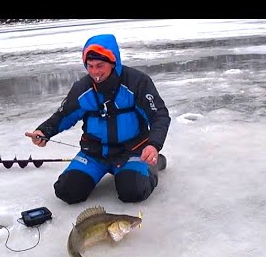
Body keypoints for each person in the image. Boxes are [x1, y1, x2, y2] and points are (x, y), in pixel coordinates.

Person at [25, 34, 171, 204]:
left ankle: (153, 164)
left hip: (132, 151)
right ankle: (103, 170)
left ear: (113, 63)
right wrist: (44, 131)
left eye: (100, 65)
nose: (95, 72)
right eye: (90, 66)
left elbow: (158, 115)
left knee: (132, 192)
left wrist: (153, 145)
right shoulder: (82, 88)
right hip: (95, 153)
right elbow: (63, 115)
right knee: (67, 192)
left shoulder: (137, 82)